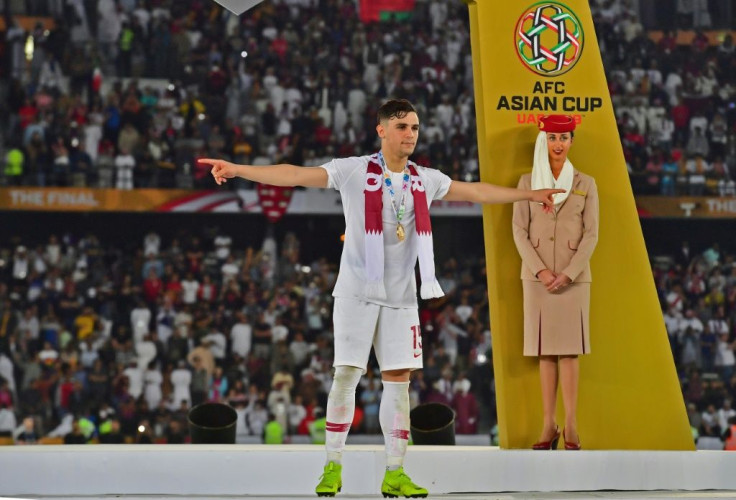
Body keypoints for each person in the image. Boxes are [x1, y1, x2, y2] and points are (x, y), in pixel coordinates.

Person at [201, 99, 562, 497]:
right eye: (403, 126)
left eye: (415, 127)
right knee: (346, 376)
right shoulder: (354, 170)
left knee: (398, 383)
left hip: (403, 298)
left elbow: (474, 191)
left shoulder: (425, 178)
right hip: (356, 292)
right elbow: (294, 175)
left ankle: (395, 472)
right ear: (382, 130)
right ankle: (332, 465)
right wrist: (238, 169)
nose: (411, 134)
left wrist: (528, 195)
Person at [512, 114, 599, 451]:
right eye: (552, 138)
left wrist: (569, 272)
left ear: (572, 141)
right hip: (537, 278)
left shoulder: (586, 183)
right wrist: (541, 272)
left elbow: (592, 234)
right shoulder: (527, 183)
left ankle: (572, 426)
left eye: (563, 138)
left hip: (575, 279)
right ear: (542, 141)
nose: (558, 145)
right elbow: (519, 231)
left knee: (570, 353)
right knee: (545, 352)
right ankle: (548, 425)